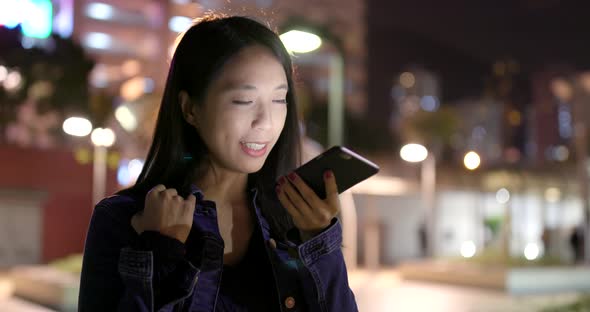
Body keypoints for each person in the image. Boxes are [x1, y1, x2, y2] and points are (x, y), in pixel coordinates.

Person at [78, 14, 358, 312]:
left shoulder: (292, 221)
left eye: (279, 100)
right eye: (243, 101)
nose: (265, 123)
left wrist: (319, 242)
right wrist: (160, 253)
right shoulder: (125, 220)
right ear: (190, 108)